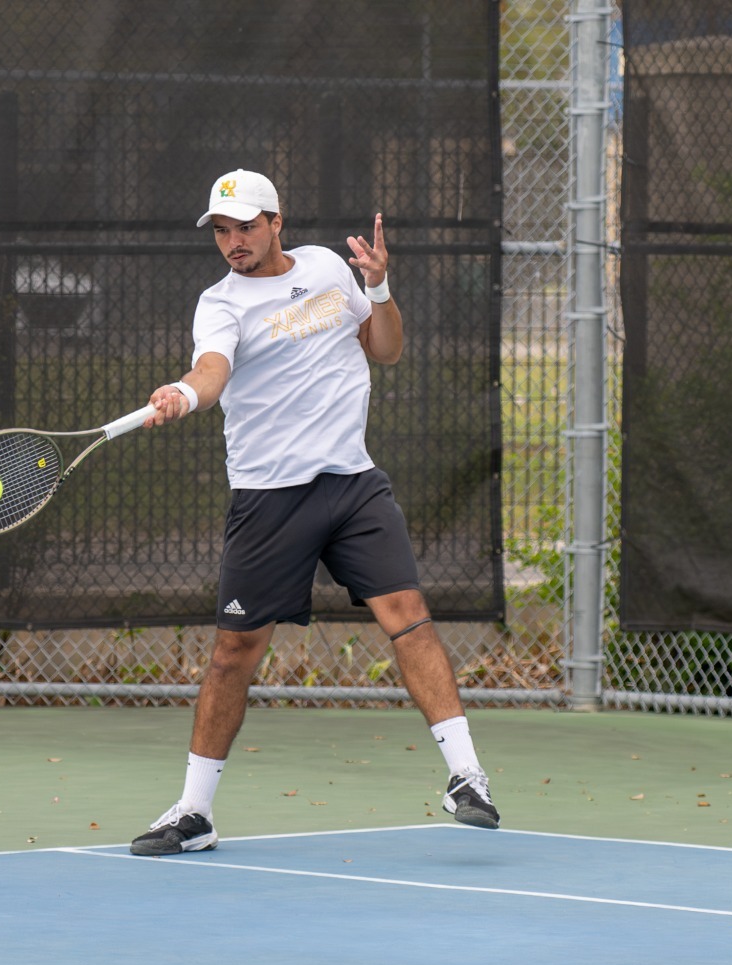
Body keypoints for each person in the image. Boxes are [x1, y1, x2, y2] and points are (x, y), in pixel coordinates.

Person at [128, 169, 500, 856]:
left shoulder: (331, 268)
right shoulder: (221, 304)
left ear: (277, 222)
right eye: (221, 230)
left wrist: (380, 288)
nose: (233, 241)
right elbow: (212, 369)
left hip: (352, 482)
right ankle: (195, 811)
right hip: (270, 497)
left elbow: (384, 348)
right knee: (234, 653)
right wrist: (184, 392)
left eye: (245, 226)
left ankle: (466, 776)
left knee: (408, 616)